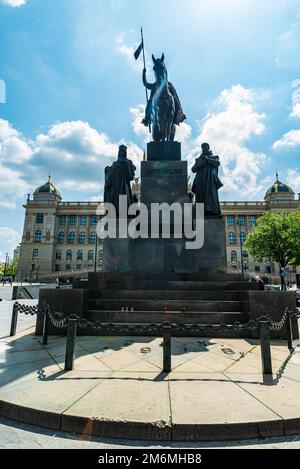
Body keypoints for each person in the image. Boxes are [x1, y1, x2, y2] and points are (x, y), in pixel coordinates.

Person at [191, 143, 223, 216]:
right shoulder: (199, 159)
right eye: (202, 148)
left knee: (210, 196)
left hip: (210, 180)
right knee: (200, 196)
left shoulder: (214, 157)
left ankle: (211, 211)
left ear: (208, 148)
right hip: (200, 180)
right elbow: (193, 169)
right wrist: (201, 162)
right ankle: (200, 212)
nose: (203, 149)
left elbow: (217, 163)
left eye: (205, 147)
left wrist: (207, 159)